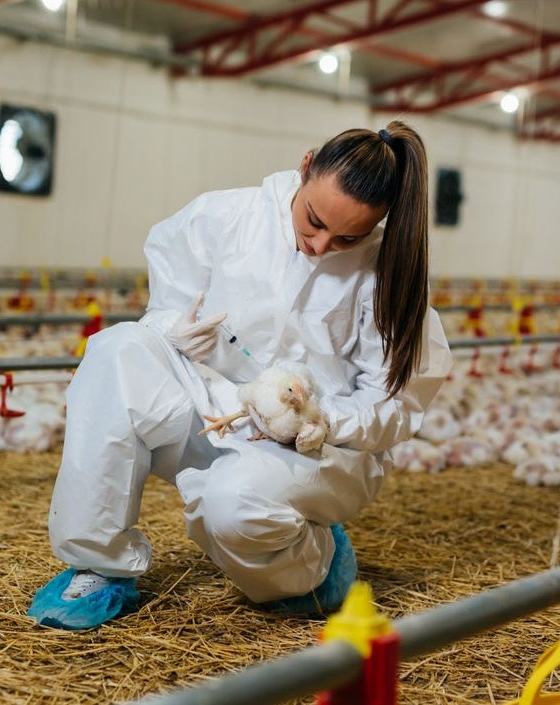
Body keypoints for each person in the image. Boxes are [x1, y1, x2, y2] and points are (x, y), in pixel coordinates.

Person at [27, 120, 453, 630]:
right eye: (313, 220)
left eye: (347, 237)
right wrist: (174, 331)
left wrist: (319, 419)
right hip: (212, 408)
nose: (318, 245)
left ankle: (312, 565)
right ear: (305, 166)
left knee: (233, 507)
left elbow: (394, 403)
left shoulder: (387, 275)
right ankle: (98, 562)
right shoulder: (223, 218)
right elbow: (167, 305)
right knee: (115, 350)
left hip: (312, 449)